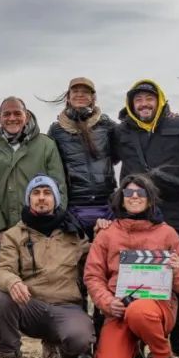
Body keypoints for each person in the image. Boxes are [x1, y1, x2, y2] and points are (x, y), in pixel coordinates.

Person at [111, 79, 179, 358]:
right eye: (138, 100)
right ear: (131, 104)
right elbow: (105, 158)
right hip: (137, 210)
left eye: (149, 99)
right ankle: (141, 333)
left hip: (177, 208)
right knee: (137, 273)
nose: (144, 105)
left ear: (160, 101)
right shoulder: (121, 132)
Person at [85, 174, 179, 358]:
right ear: (121, 198)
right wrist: (107, 302)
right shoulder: (107, 234)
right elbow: (93, 276)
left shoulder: (168, 233)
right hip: (119, 308)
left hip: (157, 308)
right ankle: (134, 352)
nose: (134, 197)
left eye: (140, 192)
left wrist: (178, 269)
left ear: (150, 198)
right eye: (128, 192)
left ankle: (163, 357)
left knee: (139, 311)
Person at [0, 176, 93, 358]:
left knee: (80, 338)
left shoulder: (75, 233)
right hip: (31, 305)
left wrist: (105, 232)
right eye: (36, 193)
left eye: (47, 193)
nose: (41, 198)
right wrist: (12, 282)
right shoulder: (14, 235)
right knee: (3, 300)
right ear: (29, 199)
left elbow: (97, 262)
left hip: (66, 306)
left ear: (55, 198)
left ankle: (68, 356)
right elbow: (1, 270)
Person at [0, 97, 67, 233]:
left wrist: (54, 223)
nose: (12, 118)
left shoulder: (46, 145)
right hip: (1, 231)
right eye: (6, 114)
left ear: (26, 116)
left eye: (17, 113)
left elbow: (59, 186)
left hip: (40, 228)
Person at [46, 77, 117, 238]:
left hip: (106, 202)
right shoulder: (56, 130)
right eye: (75, 91)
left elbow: (126, 142)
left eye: (85, 92)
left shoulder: (106, 124)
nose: (80, 95)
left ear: (93, 97)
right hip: (73, 204)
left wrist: (167, 116)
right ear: (68, 97)